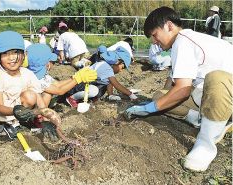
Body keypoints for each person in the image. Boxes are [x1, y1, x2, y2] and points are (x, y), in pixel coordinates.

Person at [125, 6, 232, 172]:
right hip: (213, 95)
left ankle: (206, 144)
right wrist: (155, 101)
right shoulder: (180, 44)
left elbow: (182, 90)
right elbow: (172, 85)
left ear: (169, 26)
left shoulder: (183, 40)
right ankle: (208, 120)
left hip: (226, 89)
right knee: (160, 97)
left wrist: (149, 109)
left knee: (216, 78)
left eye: (154, 35)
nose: (154, 42)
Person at [0, 31, 46, 161]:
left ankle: (12, 125)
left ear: (23, 55)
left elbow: (38, 97)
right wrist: (15, 111)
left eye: (16, 52)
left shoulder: (27, 74)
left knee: (31, 95)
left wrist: (45, 119)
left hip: (15, 111)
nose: (12, 58)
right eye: (5, 54)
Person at [65, 45, 138, 108]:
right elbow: (116, 84)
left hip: (84, 84)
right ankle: (72, 98)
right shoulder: (106, 67)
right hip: (78, 85)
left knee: (101, 87)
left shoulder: (106, 66)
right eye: (122, 67)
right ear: (118, 62)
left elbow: (110, 82)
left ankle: (88, 98)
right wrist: (130, 94)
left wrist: (111, 95)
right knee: (95, 91)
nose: (121, 70)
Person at [26, 43, 97, 107]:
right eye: (52, 62)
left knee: (48, 93)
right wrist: (78, 79)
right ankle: (39, 116)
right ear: (47, 64)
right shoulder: (37, 80)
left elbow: (58, 84)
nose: (53, 64)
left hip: (33, 101)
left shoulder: (37, 73)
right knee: (48, 93)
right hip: (29, 106)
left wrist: (75, 76)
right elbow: (59, 91)